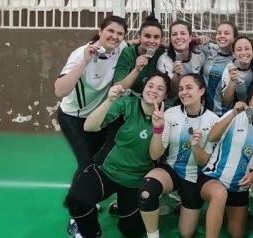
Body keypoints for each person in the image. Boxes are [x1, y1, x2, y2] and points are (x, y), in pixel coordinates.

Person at [65, 71, 171, 238]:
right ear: (143, 88)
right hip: (106, 170)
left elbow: (154, 155)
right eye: (150, 86)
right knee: (77, 200)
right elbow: (89, 127)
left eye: (160, 89)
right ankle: (91, 232)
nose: (153, 91)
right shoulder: (126, 104)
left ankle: (121, 207)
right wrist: (109, 101)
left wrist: (158, 128)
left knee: (132, 231)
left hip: (135, 179)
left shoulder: (167, 117)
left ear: (165, 95)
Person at [54, 15, 128, 236]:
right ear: (100, 30)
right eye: (110, 32)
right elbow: (60, 90)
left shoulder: (121, 47)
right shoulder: (80, 54)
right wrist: (84, 61)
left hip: (98, 117)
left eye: (120, 33)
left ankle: (91, 198)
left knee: (100, 161)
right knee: (87, 164)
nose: (115, 36)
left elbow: (137, 43)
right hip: (73, 117)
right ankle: (78, 215)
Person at [138, 73, 219, 238]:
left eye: (189, 87)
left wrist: (195, 146)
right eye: (181, 89)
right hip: (171, 169)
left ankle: (183, 203)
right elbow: (155, 155)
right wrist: (158, 129)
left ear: (201, 90)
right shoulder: (170, 114)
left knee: (186, 233)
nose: (183, 92)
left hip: (194, 176)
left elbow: (204, 161)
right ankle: (153, 235)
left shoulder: (213, 120)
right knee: (147, 191)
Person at [198, 74, 253, 238]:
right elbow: (212, 137)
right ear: (249, 100)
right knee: (219, 194)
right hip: (213, 178)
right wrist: (233, 113)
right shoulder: (236, 115)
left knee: (237, 234)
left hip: (239, 187)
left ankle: (225, 209)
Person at [156, 20, 206, 105]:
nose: (178, 37)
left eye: (183, 33)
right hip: (173, 105)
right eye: (174, 34)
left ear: (190, 37)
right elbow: (170, 94)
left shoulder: (200, 55)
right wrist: (176, 76)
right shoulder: (163, 60)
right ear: (170, 38)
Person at [114, 19, 165, 93]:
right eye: (147, 36)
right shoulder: (128, 53)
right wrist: (136, 70)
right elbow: (116, 88)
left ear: (161, 40)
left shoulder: (161, 54)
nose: (151, 41)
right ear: (139, 36)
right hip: (129, 99)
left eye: (156, 37)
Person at [202, 21, 237, 115]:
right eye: (219, 33)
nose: (221, 35)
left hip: (223, 113)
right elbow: (186, 43)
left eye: (226, 33)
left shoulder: (236, 60)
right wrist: (199, 39)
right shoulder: (210, 49)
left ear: (234, 38)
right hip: (203, 111)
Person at [221, 36, 253, 107]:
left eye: (247, 49)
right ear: (233, 54)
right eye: (239, 49)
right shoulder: (230, 70)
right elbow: (226, 103)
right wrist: (232, 81)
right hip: (237, 110)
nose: (243, 53)